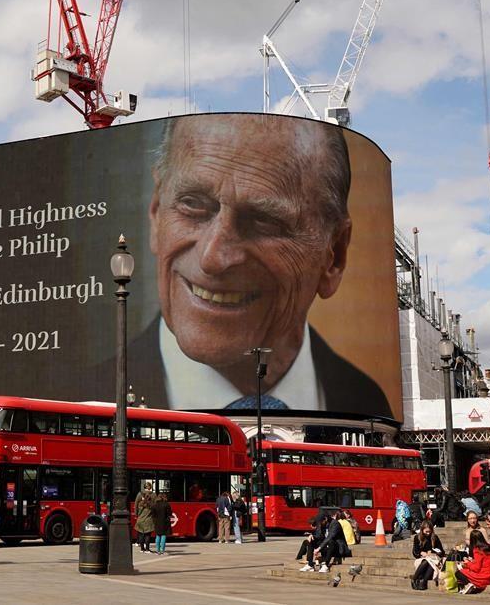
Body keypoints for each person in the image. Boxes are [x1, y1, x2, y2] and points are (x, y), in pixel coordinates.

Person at [105, 114, 391, 415]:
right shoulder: (84, 396)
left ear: (334, 254)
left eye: (263, 221)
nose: (212, 258)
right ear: (156, 212)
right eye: (193, 204)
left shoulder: (370, 403)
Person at [410, 522, 445, 589]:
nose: (428, 533)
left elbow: (441, 551)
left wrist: (432, 551)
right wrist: (421, 553)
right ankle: (415, 579)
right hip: (422, 559)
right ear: (422, 530)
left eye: (429, 531)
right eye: (426, 531)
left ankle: (423, 581)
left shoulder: (435, 537)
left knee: (430, 563)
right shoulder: (417, 537)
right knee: (426, 561)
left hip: (433, 559)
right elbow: (415, 552)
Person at [134, 482, 156, 552]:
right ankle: (147, 549)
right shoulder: (153, 495)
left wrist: (136, 514)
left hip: (140, 517)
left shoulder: (139, 494)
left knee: (140, 533)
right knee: (148, 534)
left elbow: (136, 504)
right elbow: (155, 506)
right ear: (150, 487)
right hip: (149, 518)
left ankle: (142, 549)